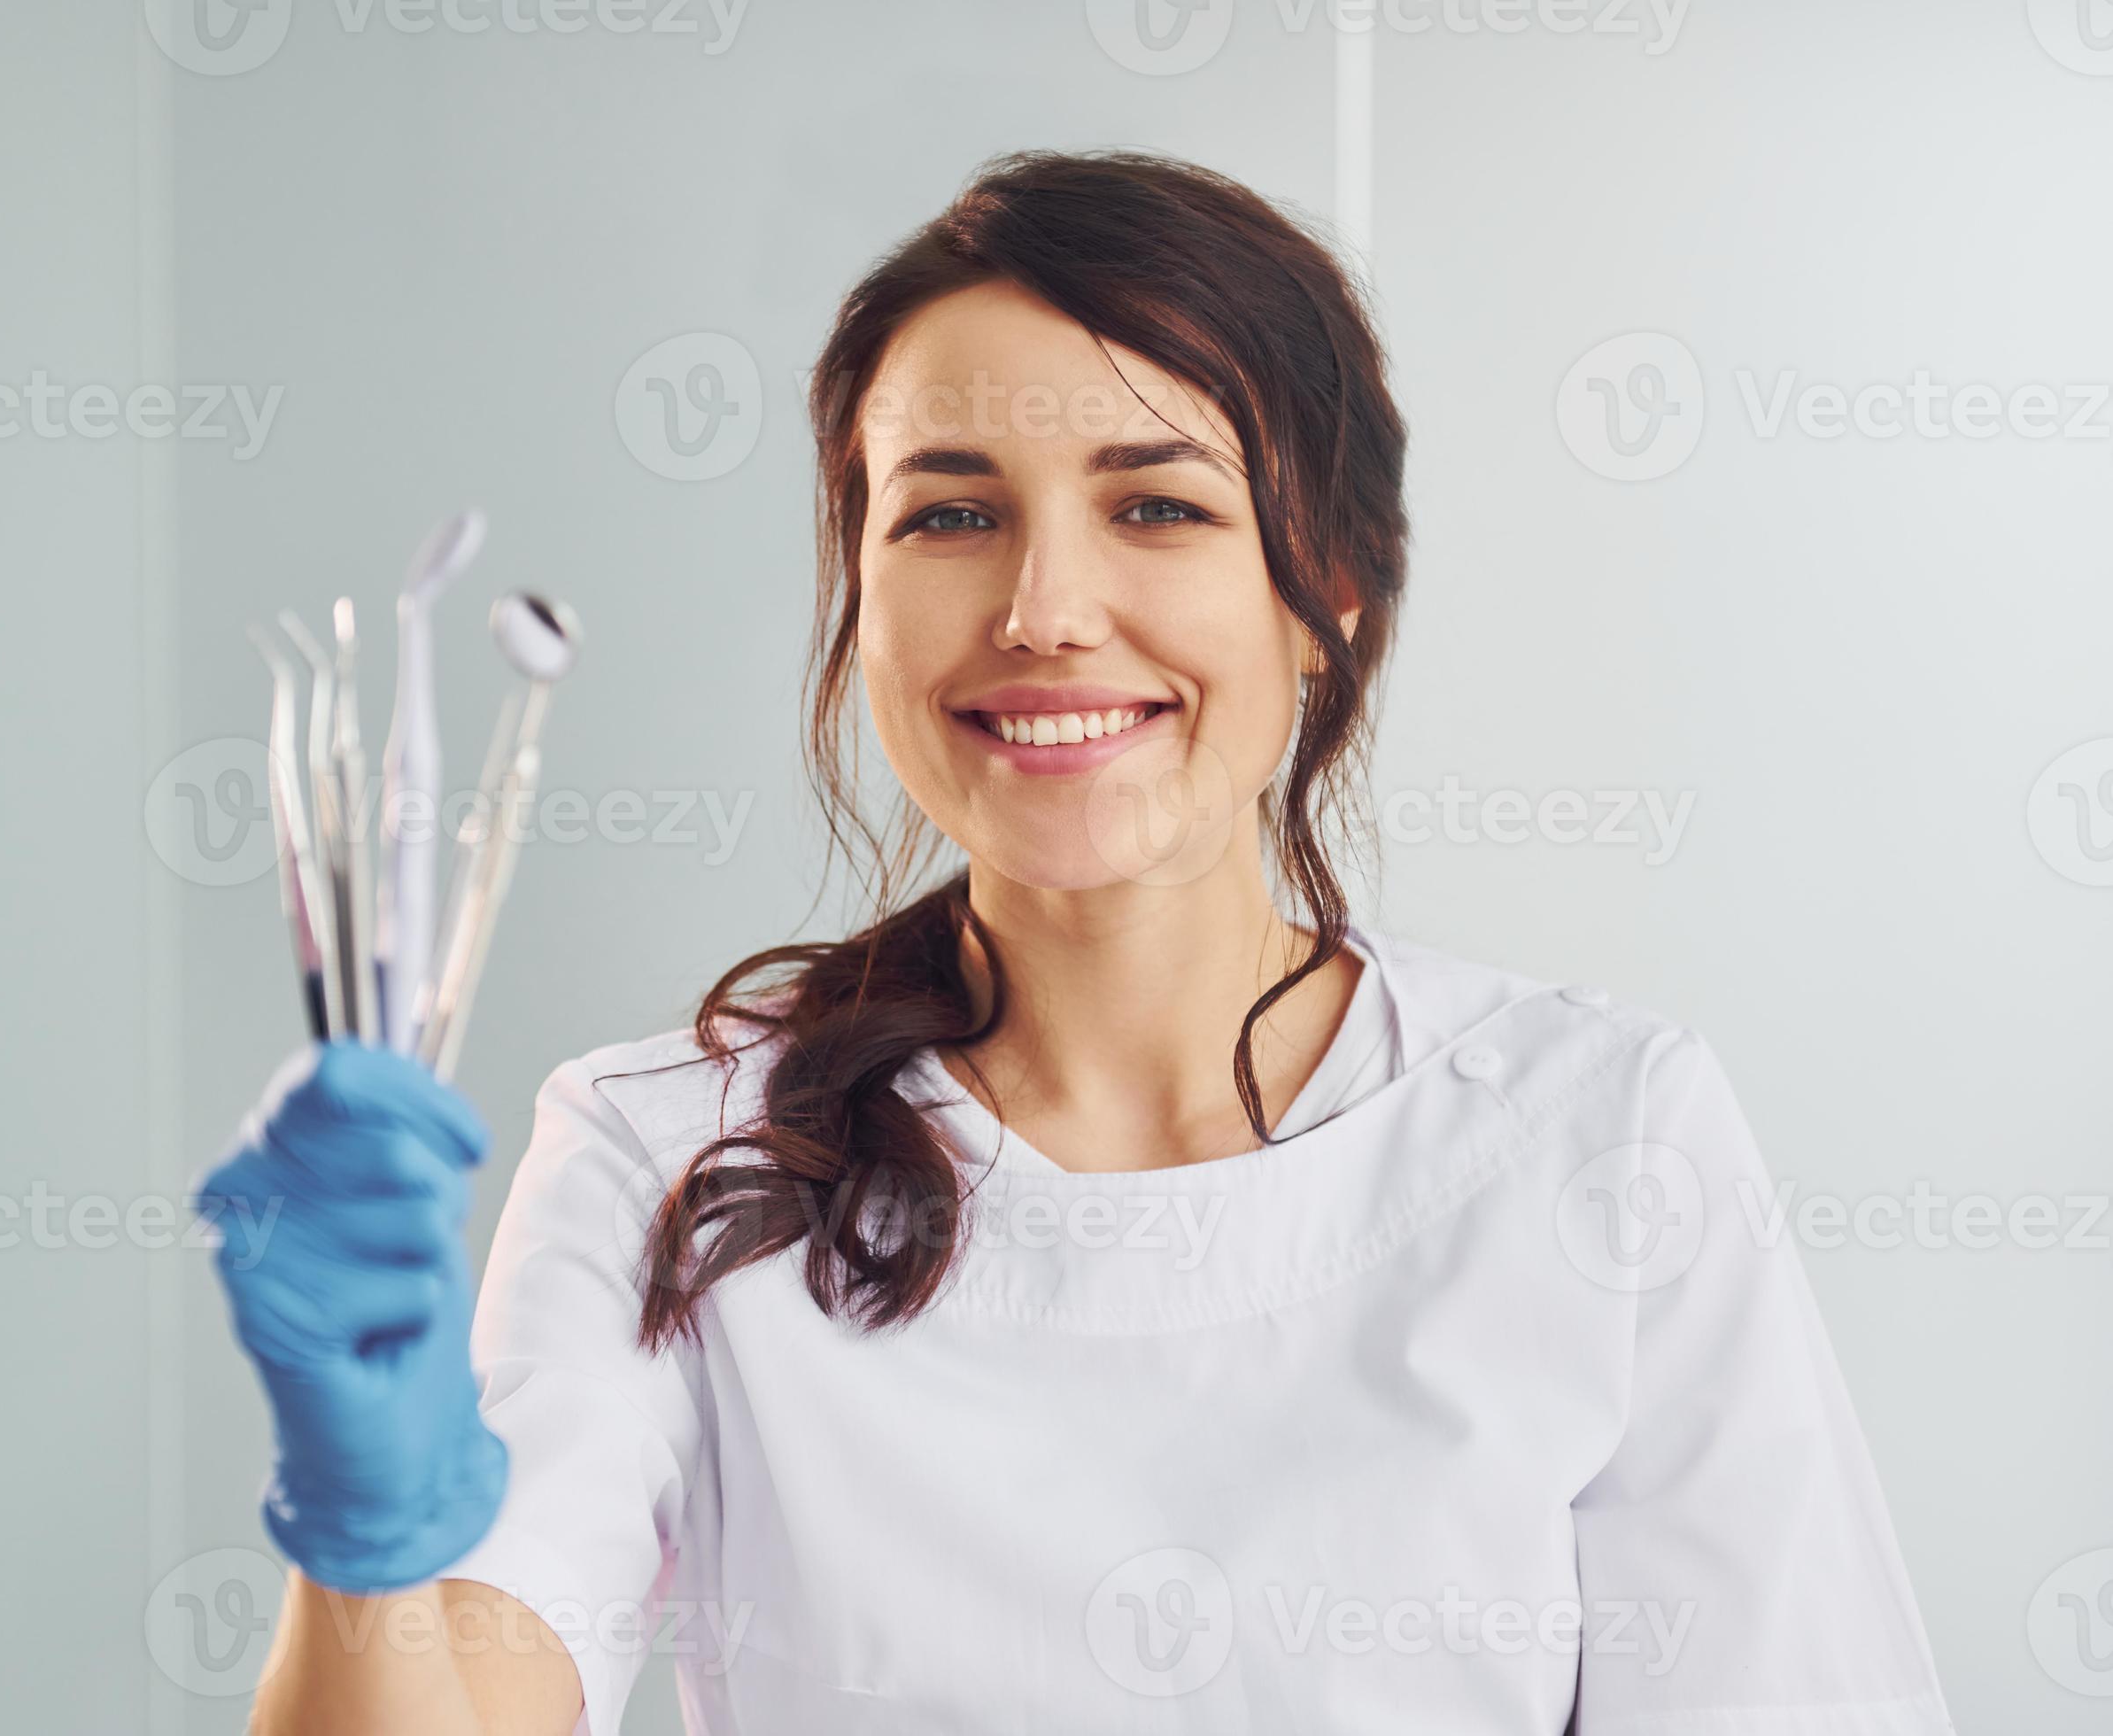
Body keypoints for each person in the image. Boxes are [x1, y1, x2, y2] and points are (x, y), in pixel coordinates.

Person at [197, 151, 1953, 1736]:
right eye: (950, 512)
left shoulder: (1598, 1134)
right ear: (859, 597)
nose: (1041, 609)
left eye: (1158, 503)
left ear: (1330, 591)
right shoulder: (671, 1151)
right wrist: (363, 1522)